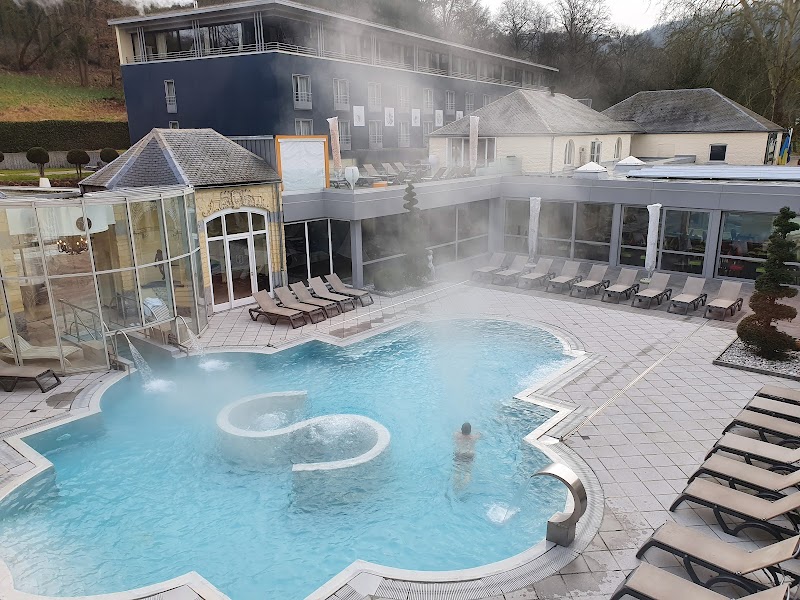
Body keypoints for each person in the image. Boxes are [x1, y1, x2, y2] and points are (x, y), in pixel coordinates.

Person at [453, 422, 481, 491]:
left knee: (457, 472)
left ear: (461, 429)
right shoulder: (473, 437)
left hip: (459, 454)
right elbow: (481, 435)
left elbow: (456, 431)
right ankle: (463, 486)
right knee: (467, 473)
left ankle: (456, 486)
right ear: (470, 431)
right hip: (469, 455)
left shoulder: (456, 435)